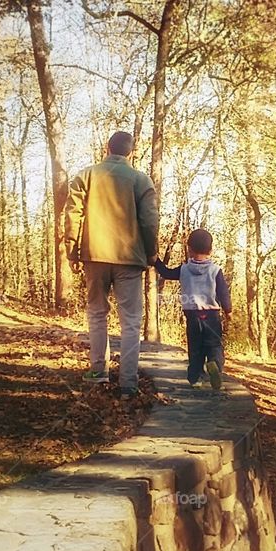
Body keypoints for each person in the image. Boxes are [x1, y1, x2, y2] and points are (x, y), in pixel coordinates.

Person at [64, 131, 159, 396]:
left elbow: (73, 215)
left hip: (94, 255)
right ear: (131, 151)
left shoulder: (86, 175)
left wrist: (73, 250)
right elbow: (150, 220)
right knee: (130, 321)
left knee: (97, 314)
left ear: (107, 148)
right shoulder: (141, 180)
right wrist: (151, 253)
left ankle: (98, 371)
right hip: (130, 259)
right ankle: (128, 383)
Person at [154, 229, 232, 390]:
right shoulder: (215, 271)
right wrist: (228, 311)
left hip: (192, 316)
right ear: (210, 250)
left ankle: (195, 378)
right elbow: (223, 293)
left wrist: (156, 260)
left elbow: (166, 273)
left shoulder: (184, 269)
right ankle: (215, 365)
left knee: (195, 348)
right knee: (214, 345)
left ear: (189, 249)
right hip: (211, 316)